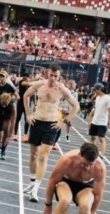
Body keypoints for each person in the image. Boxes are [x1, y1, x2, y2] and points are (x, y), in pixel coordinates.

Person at [22, 63, 80, 203]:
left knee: (43, 157)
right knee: (33, 155)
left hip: (51, 124)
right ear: (47, 73)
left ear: (60, 76)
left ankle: (35, 189)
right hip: (36, 122)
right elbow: (25, 95)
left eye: (56, 76)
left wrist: (63, 122)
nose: (53, 78)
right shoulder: (40, 84)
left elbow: (75, 106)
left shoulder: (62, 89)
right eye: (51, 75)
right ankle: (32, 180)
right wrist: (28, 115)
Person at [87, 83, 110, 157]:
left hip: (102, 122)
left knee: (101, 138)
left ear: (100, 89)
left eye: (95, 89)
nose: (93, 91)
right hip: (95, 120)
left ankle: (102, 155)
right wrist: (91, 119)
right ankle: (91, 152)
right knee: (92, 137)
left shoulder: (108, 98)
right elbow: (96, 107)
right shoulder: (97, 98)